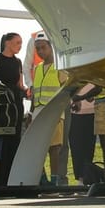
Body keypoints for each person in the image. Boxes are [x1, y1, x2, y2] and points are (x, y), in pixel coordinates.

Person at [28, 34, 69, 185]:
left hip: (53, 112)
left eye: (43, 47)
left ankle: (55, 180)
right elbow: (34, 92)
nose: (40, 51)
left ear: (51, 47)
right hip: (38, 111)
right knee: (38, 147)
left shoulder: (60, 67)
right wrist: (31, 112)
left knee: (54, 148)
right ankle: (41, 178)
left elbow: (66, 91)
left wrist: (59, 111)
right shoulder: (38, 68)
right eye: (37, 48)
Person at [0, 32, 26, 186]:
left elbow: (20, 84)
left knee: (14, 141)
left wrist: (27, 91)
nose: (20, 46)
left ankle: (12, 179)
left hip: (15, 104)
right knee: (1, 142)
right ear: (8, 43)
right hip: (0, 104)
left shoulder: (18, 62)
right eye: (17, 42)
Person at [68, 81, 99, 185]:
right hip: (76, 110)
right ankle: (80, 177)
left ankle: (87, 175)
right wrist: (75, 98)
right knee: (76, 145)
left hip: (93, 108)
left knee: (89, 146)